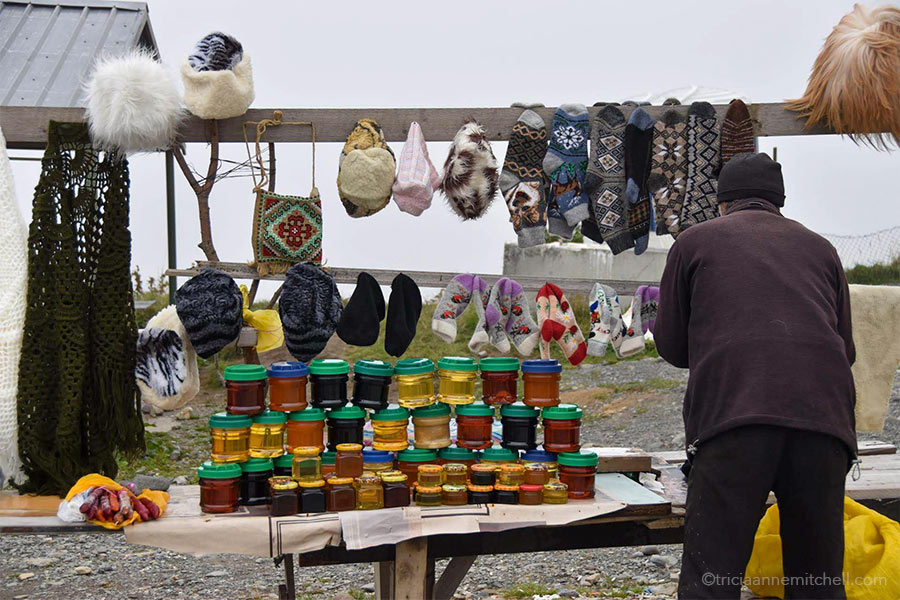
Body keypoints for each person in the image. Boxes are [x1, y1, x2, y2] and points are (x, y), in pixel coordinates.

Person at [654, 152, 855, 600]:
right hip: (823, 424)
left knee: (713, 579)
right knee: (818, 581)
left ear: (722, 202)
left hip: (735, 421)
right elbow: (847, 350)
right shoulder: (821, 248)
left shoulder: (694, 242)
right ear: (778, 202)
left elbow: (670, 345)